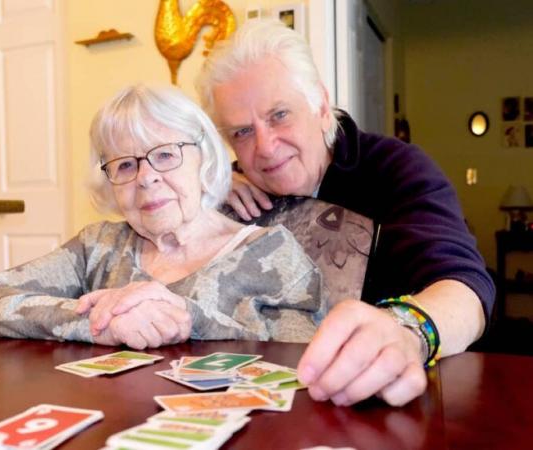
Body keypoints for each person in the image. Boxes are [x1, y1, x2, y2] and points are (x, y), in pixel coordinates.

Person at [194, 19, 494, 407]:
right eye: (242, 133)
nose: (265, 148)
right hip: (253, 407)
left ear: (320, 105)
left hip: (381, 406)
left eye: (279, 115)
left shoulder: (396, 168)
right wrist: (207, 188)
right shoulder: (228, 190)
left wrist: (407, 331)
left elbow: (466, 289)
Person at [0, 84, 325, 348]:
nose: (146, 178)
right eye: (124, 165)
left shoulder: (271, 253)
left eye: (164, 155)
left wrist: (189, 319)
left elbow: (301, 360)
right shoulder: (97, 247)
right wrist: (97, 323)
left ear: (204, 158)